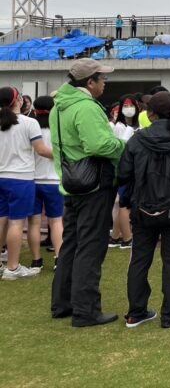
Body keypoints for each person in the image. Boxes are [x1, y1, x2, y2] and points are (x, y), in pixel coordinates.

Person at [118, 92, 170, 329]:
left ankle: (136, 311)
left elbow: (123, 173)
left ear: (150, 113)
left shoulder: (137, 138)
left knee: (140, 258)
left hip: (142, 205)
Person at [51, 60, 125, 326]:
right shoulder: (86, 107)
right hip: (94, 185)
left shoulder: (60, 106)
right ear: (89, 82)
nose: (105, 83)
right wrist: (124, 146)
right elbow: (98, 145)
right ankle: (86, 310)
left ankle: (63, 304)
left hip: (70, 183)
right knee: (91, 247)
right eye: (101, 78)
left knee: (71, 244)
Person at [0, 87, 53, 280]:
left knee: (2, 219)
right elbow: (41, 150)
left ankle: (3, 264)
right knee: (16, 222)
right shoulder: (29, 122)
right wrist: (64, 156)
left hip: (2, 177)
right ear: (18, 100)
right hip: (21, 179)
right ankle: (13, 267)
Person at [31, 97, 64, 271]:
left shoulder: (30, 126)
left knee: (34, 223)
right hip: (54, 181)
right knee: (56, 221)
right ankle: (59, 259)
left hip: (33, 180)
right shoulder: (59, 128)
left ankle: (36, 260)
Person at [109, 95, 140, 248]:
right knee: (124, 204)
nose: (129, 109)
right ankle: (127, 238)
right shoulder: (119, 126)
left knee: (122, 203)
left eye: (131, 105)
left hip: (133, 167)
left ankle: (115, 236)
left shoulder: (136, 125)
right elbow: (117, 148)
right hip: (126, 168)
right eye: (125, 106)